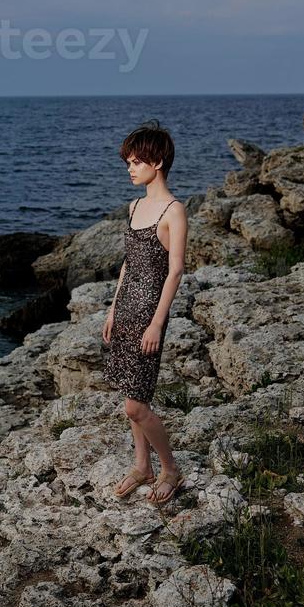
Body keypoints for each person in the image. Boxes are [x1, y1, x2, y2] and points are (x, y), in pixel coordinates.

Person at [101, 119, 188, 506]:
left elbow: (175, 270)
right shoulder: (135, 206)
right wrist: (112, 308)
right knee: (129, 394)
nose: (130, 168)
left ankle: (169, 468)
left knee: (136, 403)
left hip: (150, 314)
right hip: (126, 310)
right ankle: (142, 465)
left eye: (137, 161)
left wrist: (156, 322)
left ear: (159, 161)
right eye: (128, 162)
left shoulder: (174, 210)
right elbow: (127, 263)